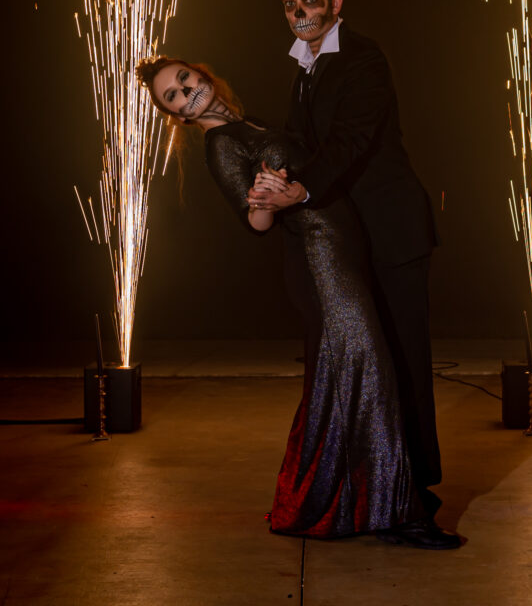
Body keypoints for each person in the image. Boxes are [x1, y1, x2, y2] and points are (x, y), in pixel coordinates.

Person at [135, 57, 458, 547]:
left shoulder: (249, 122)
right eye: (173, 96)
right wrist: (262, 200)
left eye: (185, 80)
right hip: (322, 267)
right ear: (175, 116)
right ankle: (398, 514)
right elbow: (255, 224)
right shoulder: (222, 144)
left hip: (343, 257)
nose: (186, 92)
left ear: (203, 75)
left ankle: (337, 501)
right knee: (371, 375)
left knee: (348, 382)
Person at [249, 0, 454, 548]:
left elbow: (350, 143)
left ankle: (420, 502)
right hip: (350, 242)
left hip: (392, 234)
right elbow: (304, 142)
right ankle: (374, 494)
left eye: (309, 1)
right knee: (368, 372)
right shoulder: (305, 67)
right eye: (289, 5)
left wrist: (299, 190)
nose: (299, 14)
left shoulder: (361, 58)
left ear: (334, 4)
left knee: (405, 369)